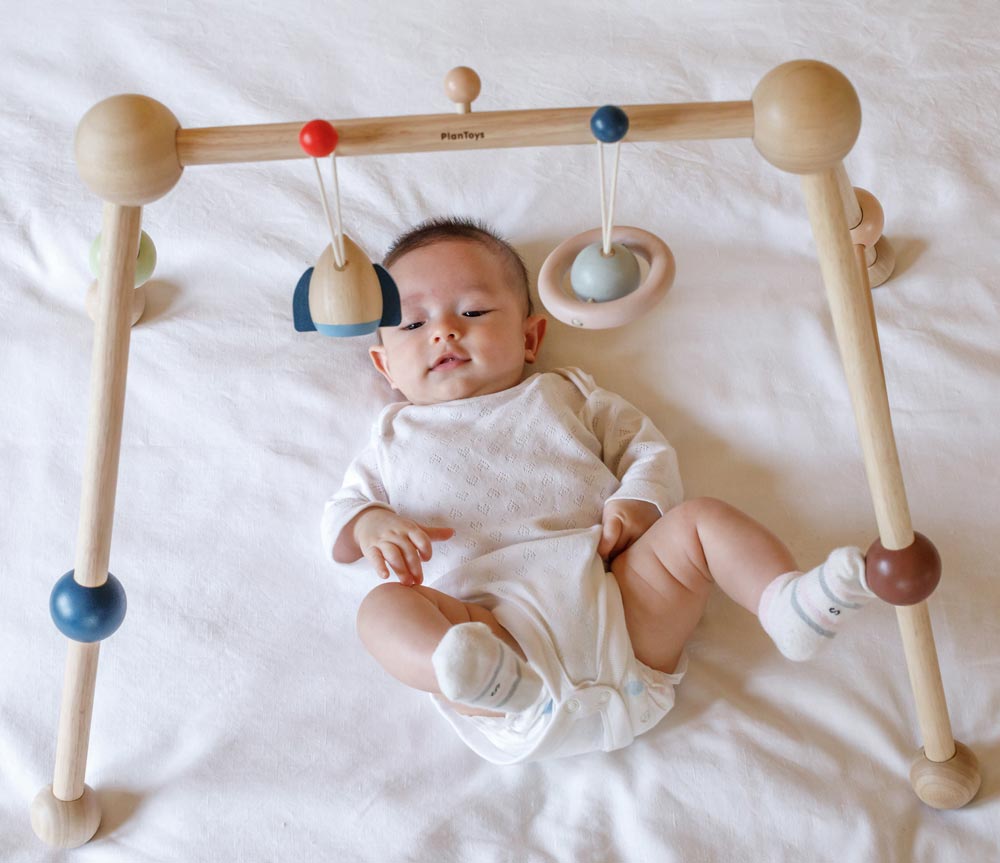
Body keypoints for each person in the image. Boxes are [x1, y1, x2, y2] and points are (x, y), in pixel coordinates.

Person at [322, 217, 872, 764]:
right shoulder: (394, 438)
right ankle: (471, 674)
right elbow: (341, 523)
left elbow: (647, 451)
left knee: (700, 520)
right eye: (414, 325)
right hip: (495, 633)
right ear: (384, 363)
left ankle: (783, 601)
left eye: (473, 312)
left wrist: (638, 502)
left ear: (530, 336)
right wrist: (369, 523)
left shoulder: (569, 395)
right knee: (383, 608)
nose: (444, 331)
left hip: (620, 615)